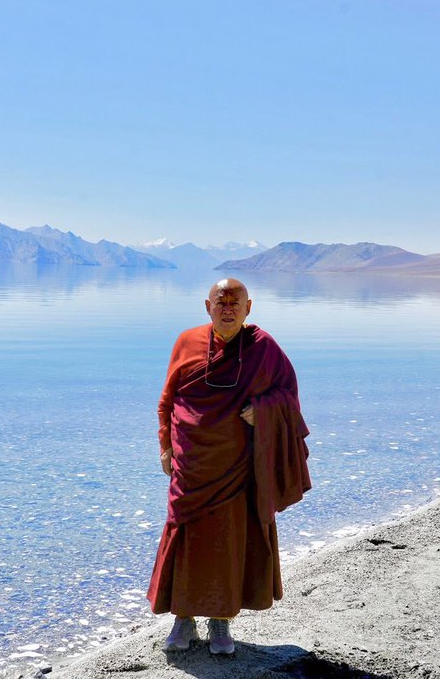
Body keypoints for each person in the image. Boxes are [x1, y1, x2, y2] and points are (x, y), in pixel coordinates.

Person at [147, 278, 311, 655]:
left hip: (237, 466)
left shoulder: (263, 348)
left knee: (228, 541)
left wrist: (266, 410)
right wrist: (165, 446)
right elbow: (167, 401)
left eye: (235, 303)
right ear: (207, 307)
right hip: (192, 464)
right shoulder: (186, 342)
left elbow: (288, 393)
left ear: (249, 308)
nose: (227, 308)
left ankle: (221, 623)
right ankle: (183, 620)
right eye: (220, 303)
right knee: (185, 539)